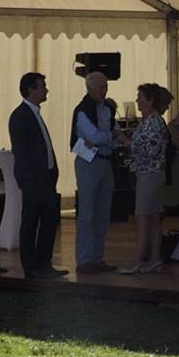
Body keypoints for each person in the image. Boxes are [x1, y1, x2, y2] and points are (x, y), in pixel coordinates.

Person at [8, 70, 65, 280]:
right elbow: (21, 151)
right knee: (31, 222)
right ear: (31, 89)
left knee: (50, 221)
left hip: (46, 179)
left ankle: (44, 263)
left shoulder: (34, 114)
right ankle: (30, 266)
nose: (46, 90)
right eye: (42, 86)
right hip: (34, 181)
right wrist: (28, 180)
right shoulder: (21, 116)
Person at [69, 68, 117, 273]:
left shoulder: (107, 109)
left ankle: (97, 256)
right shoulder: (82, 110)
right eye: (100, 87)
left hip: (105, 161)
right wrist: (111, 136)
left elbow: (106, 134)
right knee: (87, 212)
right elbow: (96, 136)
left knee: (103, 212)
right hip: (89, 163)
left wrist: (109, 136)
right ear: (89, 88)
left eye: (106, 86)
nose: (104, 91)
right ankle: (84, 259)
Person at [123, 82, 172, 274]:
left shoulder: (152, 122)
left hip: (149, 174)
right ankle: (154, 258)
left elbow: (151, 150)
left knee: (143, 217)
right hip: (154, 174)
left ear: (150, 101)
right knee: (153, 218)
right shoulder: (152, 121)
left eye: (141, 97)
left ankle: (139, 261)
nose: (137, 101)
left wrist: (127, 142)